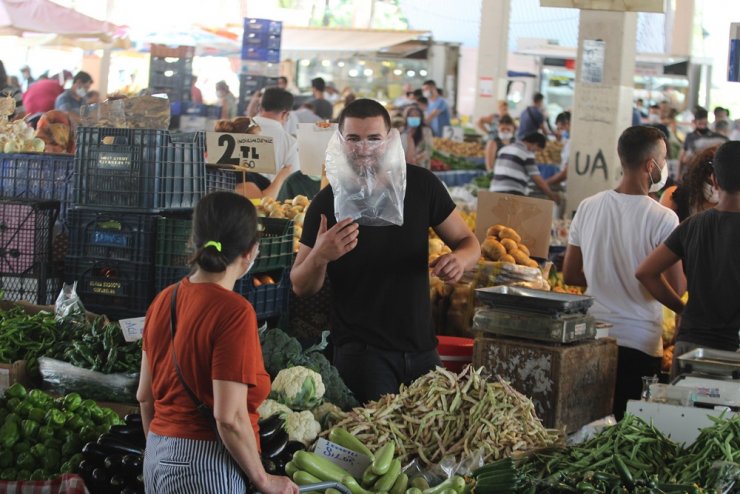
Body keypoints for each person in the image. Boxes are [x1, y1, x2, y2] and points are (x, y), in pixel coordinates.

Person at [290, 99, 480, 404]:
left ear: (390, 139)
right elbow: (300, 285)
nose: (364, 148)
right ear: (340, 141)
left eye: (373, 138)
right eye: (353, 139)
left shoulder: (422, 185)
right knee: (376, 447)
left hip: (422, 349)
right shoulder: (327, 202)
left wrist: (459, 260)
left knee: (432, 442)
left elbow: (470, 243)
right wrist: (321, 255)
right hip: (362, 356)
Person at [137, 191, 298, 494]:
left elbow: (145, 396)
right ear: (251, 252)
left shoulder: (164, 300)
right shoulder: (234, 312)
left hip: (156, 455)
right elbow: (228, 417)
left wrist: (163, 453)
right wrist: (264, 480)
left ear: (192, 241)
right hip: (206, 466)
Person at [563, 125, 685, 420]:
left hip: (593, 338)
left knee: (590, 428)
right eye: (664, 158)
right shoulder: (664, 218)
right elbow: (678, 286)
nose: (665, 166)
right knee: (625, 434)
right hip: (639, 343)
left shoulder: (588, 207)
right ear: (650, 165)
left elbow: (570, 275)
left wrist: (604, 274)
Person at [636, 140, 740, 376]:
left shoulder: (693, 225)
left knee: (682, 412)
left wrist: (682, 309)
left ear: (714, 180)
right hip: (733, 352)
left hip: (690, 347)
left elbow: (645, 272)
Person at [236, 87, 297, 199]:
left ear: (260, 108)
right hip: (269, 207)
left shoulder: (237, 129)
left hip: (231, 201)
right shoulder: (290, 143)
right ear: (285, 114)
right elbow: (292, 179)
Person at [489, 132, 560, 203]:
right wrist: (551, 195)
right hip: (512, 192)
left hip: (494, 190)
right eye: (536, 150)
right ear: (535, 144)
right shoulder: (527, 154)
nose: (534, 152)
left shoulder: (504, 149)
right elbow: (537, 179)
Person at [679, 107, 727, 177]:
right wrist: (679, 174)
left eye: (705, 124)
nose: (703, 127)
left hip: (707, 172)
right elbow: (682, 158)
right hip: (691, 171)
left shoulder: (716, 137)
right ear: (694, 122)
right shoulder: (690, 137)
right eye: (700, 124)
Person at [401, 105, 433, 169]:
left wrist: (417, 159)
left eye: (417, 116)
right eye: (411, 116)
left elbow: (429, 150)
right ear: (406, 117)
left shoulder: (426, 131)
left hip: (420, 167)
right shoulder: (402, 132)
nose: (414, 117)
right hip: (404, 168)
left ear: (421, 118)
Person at [546, 112, 572, 187]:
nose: (559, 132)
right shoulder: (567, 141)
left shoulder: (573, 143)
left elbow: (566, 172)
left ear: (567, 124)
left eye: (560, 128)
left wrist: (546, 183)